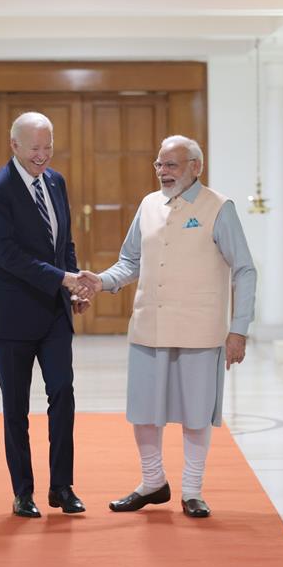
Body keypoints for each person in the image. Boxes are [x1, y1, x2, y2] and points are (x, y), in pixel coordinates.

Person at [78, 135, 256, 518]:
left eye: (171, 165)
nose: (163, 172)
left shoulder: (218, 208)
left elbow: (245, 269)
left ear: (196, 167)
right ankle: (152, 482)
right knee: (144, 411)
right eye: (159, 164)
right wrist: (102, 281)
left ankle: (192, 490)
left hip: (199, 330)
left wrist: (238, 329)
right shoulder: (147, 205)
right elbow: (130, 260)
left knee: (195, 414)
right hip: (149, 326)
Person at [0, 112, 90, 518]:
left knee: (63, 394)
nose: (42, 156)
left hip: (54, 312)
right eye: (34, 149)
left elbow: (65, 242)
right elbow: (8, 257)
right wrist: (63, 278)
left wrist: (74, 285)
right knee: (16, 407)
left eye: (48, 147)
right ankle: (23, 492)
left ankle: (62, 486)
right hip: (11, 316)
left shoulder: (56, 182)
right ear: (15, 146)